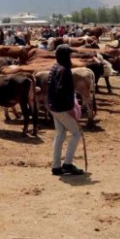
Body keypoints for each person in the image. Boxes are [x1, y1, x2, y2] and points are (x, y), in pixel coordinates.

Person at [47, 45, 84, 176]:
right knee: (76, 133)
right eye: (69, 54)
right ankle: (67, 164)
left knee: (60, 134)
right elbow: (62, 90)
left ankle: (56, 166)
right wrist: (70, 108)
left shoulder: (54, 67)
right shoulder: (65, 70)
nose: (71, 57)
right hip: (62, 108)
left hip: (53, 106)